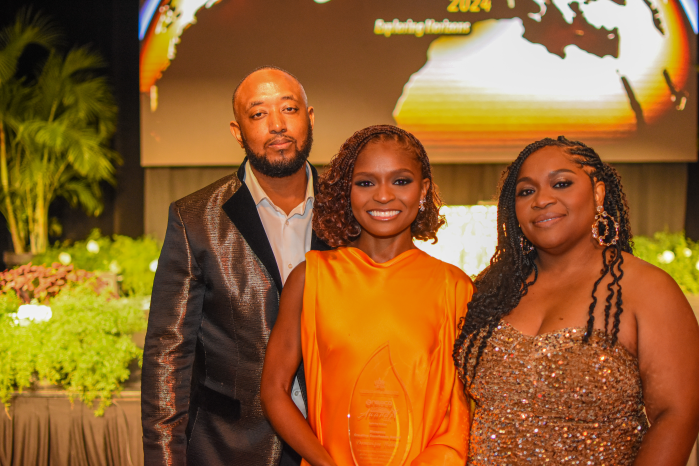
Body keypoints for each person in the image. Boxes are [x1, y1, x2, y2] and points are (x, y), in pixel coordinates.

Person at [453, 136, 699, 465]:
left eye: (562, 183)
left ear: (598, 193)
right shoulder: (490, 293)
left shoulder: (648, 289)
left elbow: (678, 416)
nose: (542, 200)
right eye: (526, 191)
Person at [141, 66, 330, 466]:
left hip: (337, 441)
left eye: (289, 109)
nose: (277, 125)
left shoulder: (350, 208)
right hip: (231, 446)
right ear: (237, 130)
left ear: (309, 118)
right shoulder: (195, 218)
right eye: (258, 114)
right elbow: (167, 355)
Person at [261, 125, 473, 466]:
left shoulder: (455, 287)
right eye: (366, 182)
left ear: (424, 190)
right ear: (347, 191)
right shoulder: (311, 277)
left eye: (401, 181)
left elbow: (460, 412)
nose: (384, 196)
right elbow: (273, 390)